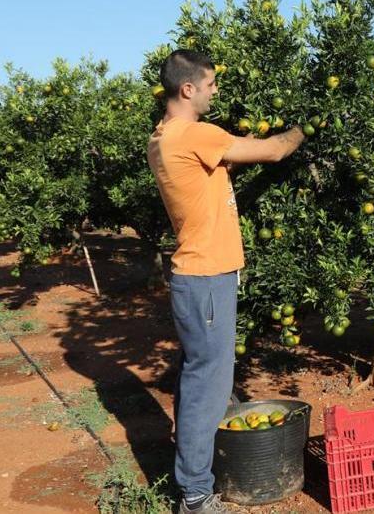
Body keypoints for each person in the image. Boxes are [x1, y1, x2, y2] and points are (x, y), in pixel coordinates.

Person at [147, 49, 305, 514]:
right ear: (188, 88)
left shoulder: (165, 136)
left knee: (199, 375)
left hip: (199, 277)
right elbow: (274, 150)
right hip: (205, 276)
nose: (216, 90)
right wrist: (304, 129)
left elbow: (219, 168)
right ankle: (195, 494)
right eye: (211, 83)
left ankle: (199, 469)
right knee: (207, 382)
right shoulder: (196, 133)